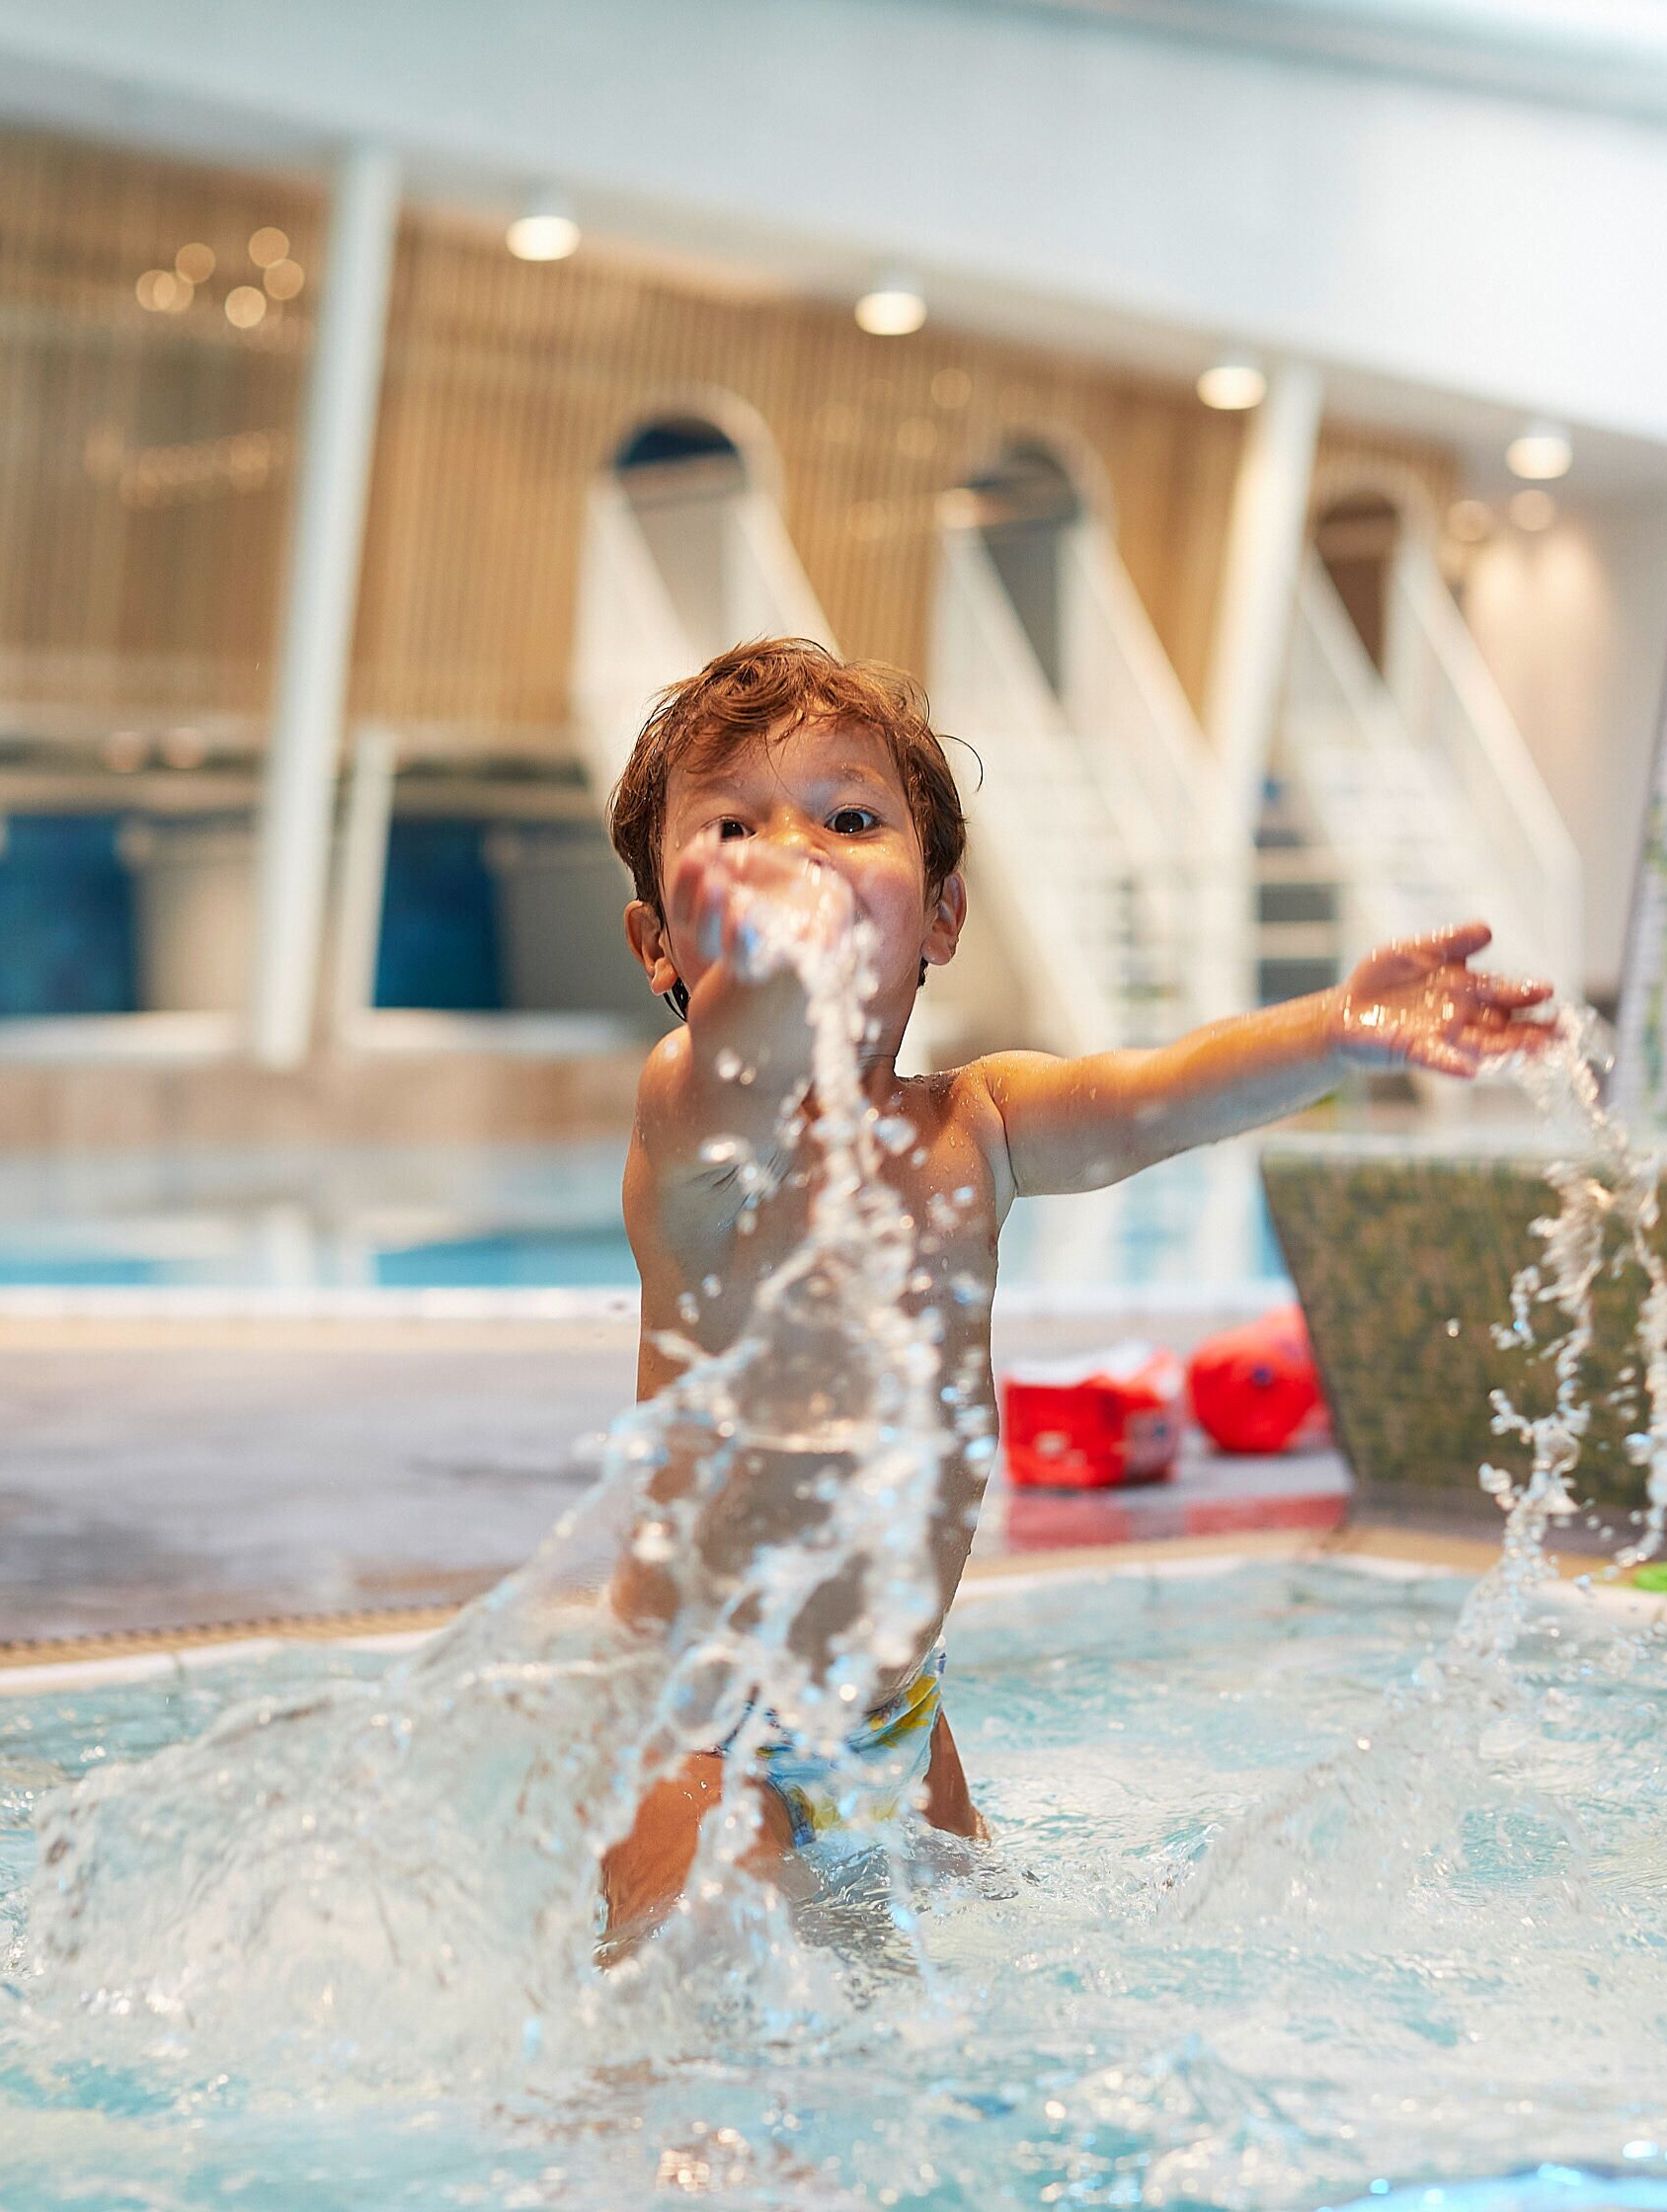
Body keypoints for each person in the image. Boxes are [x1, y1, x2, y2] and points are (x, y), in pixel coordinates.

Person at [595, 637, 1548, 1946]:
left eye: (849, 820)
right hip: (695, 1734)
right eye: (738, 830)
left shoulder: (973, 1124)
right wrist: (763, 959)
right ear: (661, 940)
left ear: (940, 914)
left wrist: (1333, 1028)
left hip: (894, 1721)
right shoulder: (695, 1118)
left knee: (974, 1996)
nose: (799, 855)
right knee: (692, 2067)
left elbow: (1150, 1099)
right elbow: (749, 1049)